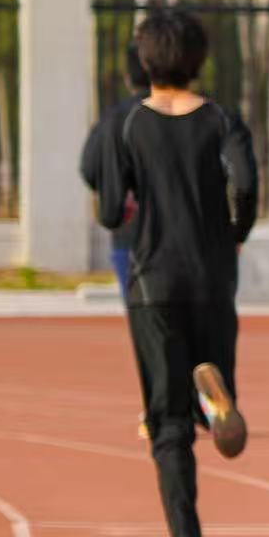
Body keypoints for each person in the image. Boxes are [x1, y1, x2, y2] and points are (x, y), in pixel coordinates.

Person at [93, 10, 259, 537]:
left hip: (152, 284)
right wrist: (234, 231)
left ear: (145, 61)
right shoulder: (221, 119)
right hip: (213, 278)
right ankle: (215, 402)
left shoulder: (128, 125)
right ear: (198, 61)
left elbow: (111, 210)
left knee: (164, 426)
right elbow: (243, 185)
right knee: (209, 376)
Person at [81, 42, 155, 439]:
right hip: (178, 236)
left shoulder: (114, 119)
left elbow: (88, 166)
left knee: (145, 322)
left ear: (129, 77)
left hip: (128, 236)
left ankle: (154, 407)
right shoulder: (189, 113)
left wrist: (114, 192)